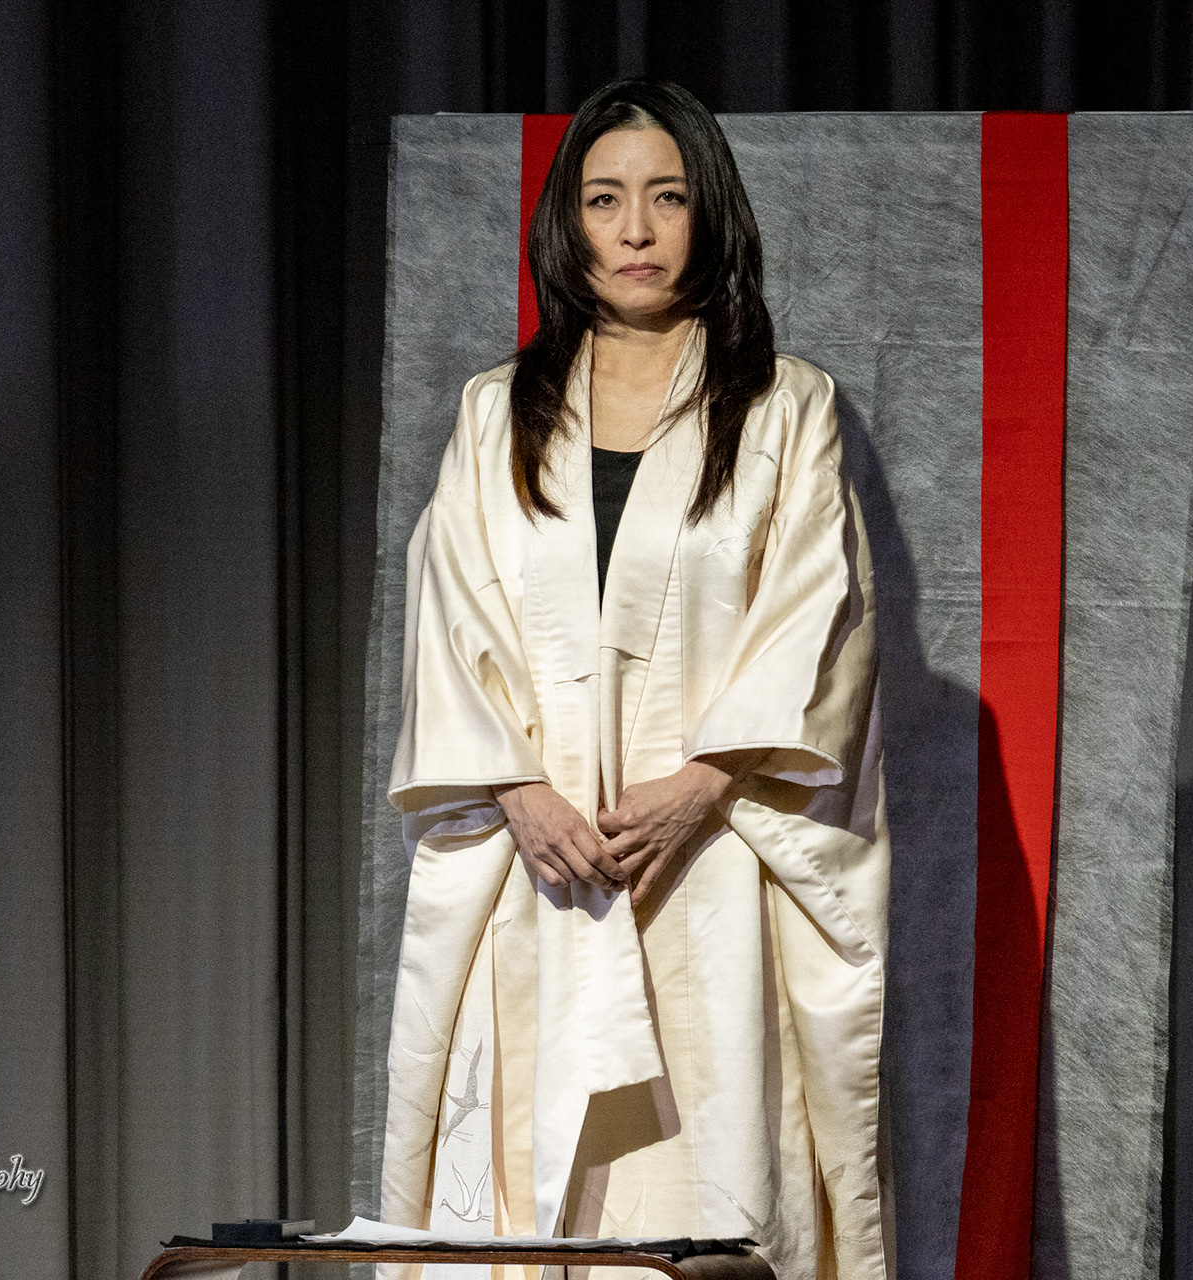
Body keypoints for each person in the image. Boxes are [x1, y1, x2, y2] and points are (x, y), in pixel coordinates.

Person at [378, 79, 890, 1280]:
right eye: (605, 200)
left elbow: (819, 612)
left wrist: (705, 781)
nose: (638, 229)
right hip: (542, 859)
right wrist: (518, 791)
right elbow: (449, 615)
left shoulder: (783, 405)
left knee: (706, 1167)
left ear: (710, 214)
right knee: (533, 1177)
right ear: (569, 223)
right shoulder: (496, 413)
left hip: (709, 853)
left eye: (668, 197)